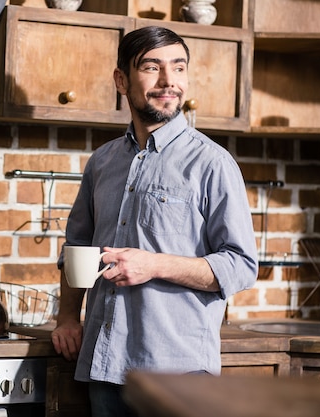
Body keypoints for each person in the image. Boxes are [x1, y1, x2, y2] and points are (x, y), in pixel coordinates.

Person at [51, 26, 258, 417]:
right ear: (121, 81)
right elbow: (77, 248)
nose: (169, 82)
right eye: (152, 67)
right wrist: (66, 318)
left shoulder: (211, 163)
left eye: (178, 69)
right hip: (105, 368)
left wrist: (154, 265)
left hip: (178, 375)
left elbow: (242, 266)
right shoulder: (103, 162)